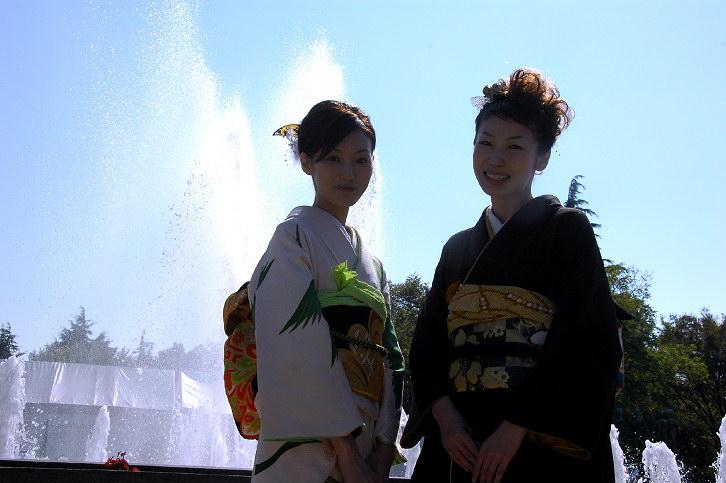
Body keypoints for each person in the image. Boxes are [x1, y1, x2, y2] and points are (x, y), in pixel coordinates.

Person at [401, 69, 622, 483]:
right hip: (460, 443)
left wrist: (517, 425)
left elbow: (586, 339)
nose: (495, 159)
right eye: (485, 143)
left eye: (514, 146)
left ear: (542, 158)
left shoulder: (566, 230)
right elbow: (427, 347)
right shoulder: (456, 249)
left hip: (536, 443)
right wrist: (446, 420)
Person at [248, 100, 404, 483]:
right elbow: (296, 342)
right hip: (305, 448)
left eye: (361, 160)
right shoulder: (293, 237)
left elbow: (392, 357)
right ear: (307, 162)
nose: (349, 173)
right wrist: (346, 454)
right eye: (333, 158)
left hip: (367, 449)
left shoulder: (375, 265)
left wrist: (383, 449)